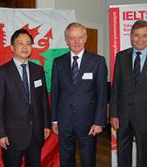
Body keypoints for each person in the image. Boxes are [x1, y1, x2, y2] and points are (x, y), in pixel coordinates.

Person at [110, 20, 147, 167]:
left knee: (146, 155)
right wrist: (114, 114)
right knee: (123, 154)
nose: (140, 39)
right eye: (136, 35)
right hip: (123, 117)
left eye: (144, 35)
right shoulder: (121, 57)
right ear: (130, 36)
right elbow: (116, 87)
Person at [51, 22, 108, 167]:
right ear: (66, 40)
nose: (76, 42)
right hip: (64, 121)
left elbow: (102, 93)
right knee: (66, 159)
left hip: (89, 122)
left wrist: (99, 121)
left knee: (88, 159)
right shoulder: (58, 62)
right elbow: (55, 92)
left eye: (80, 37)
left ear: (85, 38)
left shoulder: (98, 61)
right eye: (72, 38)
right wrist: (54, 120)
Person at [0, 29, 51, 167]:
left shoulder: (38, 70)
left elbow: (43, 100)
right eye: (20, 43)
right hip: (12, 136)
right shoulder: (1, 73)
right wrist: (0, 133)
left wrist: (46, 124)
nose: (25, 47)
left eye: (28, 43)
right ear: (12, 47)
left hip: (36, 133)